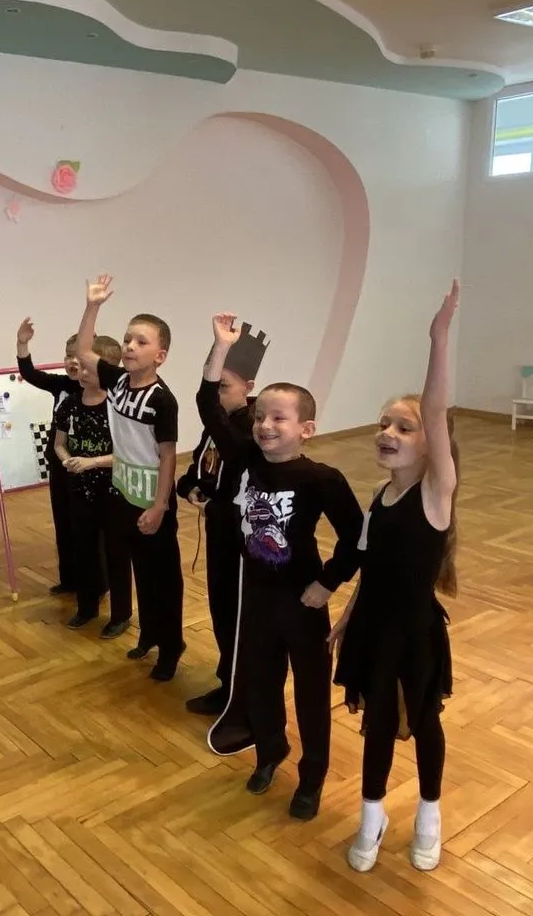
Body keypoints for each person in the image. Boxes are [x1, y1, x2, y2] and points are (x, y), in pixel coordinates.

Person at [200, 312, 363, 820]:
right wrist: (221, 348)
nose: (265, 426)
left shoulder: (321, 479)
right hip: (257, 598)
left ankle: (312, 776)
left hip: (301, 602)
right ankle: (270, 751)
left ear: (306, 429)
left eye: (279, 419)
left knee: (311, 693)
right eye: (260, 417)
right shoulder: (244, 457)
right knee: (261, 682)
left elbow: (357, 538)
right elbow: (208, 405)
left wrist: (327, 583)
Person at [331, 280, 460, 873]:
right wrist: (348, 614)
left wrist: (438, 339)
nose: (388, 433)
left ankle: (430, 815)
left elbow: (435, 409)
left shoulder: (436, 494)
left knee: (425, 723)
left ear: (432, 446)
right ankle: (372, 815)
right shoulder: (379, 498)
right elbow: (370, 568)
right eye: (384, 424)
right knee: (377, 724)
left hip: (414, 635)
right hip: (373, 631)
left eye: (404, 428)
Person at [74, 275, 185, 679]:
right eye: (127, 339)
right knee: (140, 571)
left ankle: (171, 646)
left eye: (141, 341)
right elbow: (83, 351)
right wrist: (93, 306)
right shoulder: (117, 381)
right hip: (122, 493)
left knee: (163, 580)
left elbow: (168, 455)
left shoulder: (162, 400)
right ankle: (149, 634)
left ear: (161, 355)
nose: (130, 346)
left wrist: (159, 506)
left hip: (151, 500)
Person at [177, 323, 265, 716]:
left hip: (240, 542)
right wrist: (189, 488)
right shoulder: (217, 429)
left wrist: (212, 506)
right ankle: (228, 683)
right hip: (218, 534)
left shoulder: (248, 432)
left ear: (249, 386)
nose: (215, 394)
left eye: (222, 386)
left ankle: (243, 694)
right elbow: (198, 470)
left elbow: (243, 493)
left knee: (238, 616)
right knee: (222, 612)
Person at [53, 334, 123, 630]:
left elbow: (127, 454)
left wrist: (91, 462)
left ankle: (120, 615)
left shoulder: (117, 407)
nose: (80, 372)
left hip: (112, 491)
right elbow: (59, 444)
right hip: (79, 490)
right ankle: (86, 606)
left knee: (116, 552)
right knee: (83, 547)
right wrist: (67, 460)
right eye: (79, 367)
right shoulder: (69, 404)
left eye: (87, 368)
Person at [15, 318, 82, 595]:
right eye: (68, 356)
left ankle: (93, 582)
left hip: (87, 467)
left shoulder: (99, 388)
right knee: (63, 522)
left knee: (85, 525)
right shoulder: (60, 384)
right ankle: (69, 579)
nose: (72, 362)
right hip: (59, 463)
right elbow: (30, 373)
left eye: (78, 356)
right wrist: (22, 344)